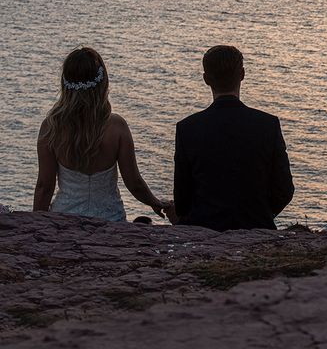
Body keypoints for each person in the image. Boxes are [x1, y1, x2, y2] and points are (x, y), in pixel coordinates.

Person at [34, 47, 171, 222]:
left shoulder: (51, 127)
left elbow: (44, 186)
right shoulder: (117, 127)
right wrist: (154, 202)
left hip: (63, 220)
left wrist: (35, 225)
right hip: (110, 219)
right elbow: (134, 183)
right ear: (103, 82)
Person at [171, 45, 295, 231]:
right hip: (256, 227)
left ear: (206, 79)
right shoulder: (267, 125)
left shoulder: (187, 128)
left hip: (203, 229)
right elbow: (284, 190)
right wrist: (261, 213)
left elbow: (181, 199)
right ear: (242, 74)